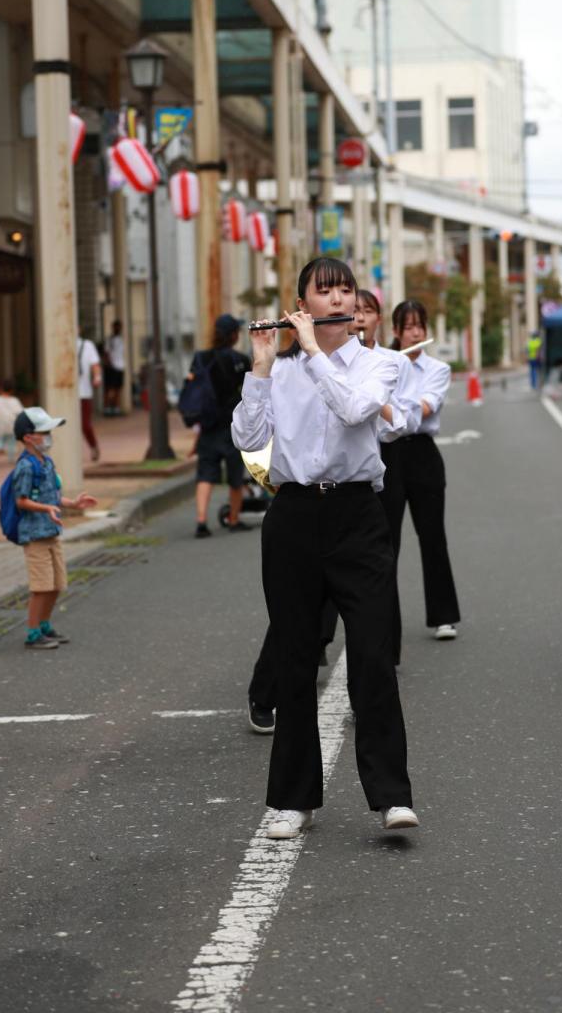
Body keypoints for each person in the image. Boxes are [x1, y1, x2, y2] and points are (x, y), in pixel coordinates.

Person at [232, 256, 417, 838]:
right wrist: (261, 367)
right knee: (294, 656)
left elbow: (357, 409)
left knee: (371, 651)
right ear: (302, 303)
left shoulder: (380, 363)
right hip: (292, 514)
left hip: (357, 514)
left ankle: (391, 795)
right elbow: (249, 439)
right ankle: (292, 799)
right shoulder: (282, 370)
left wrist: (313, 352)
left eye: (346, 291)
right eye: (324, 291)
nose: (338, 300)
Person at [380, 299, 461, 656]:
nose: (415, 332)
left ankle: (444, 616)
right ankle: (384, 623)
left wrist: (393, 401)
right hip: (388, 456)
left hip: (423, 453)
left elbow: (425, 408)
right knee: (386, 544)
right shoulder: (381, 363)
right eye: (408, 326)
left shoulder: (438, 368)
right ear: (395, 331)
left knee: (433, 536)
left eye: (420, 325)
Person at [12, 407, 97, 649]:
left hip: (51, 532)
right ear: (29, 437)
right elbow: (21, 500)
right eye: (45, 432)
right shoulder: (26, 466)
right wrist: (45, 509)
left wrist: (73, 503)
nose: (49, 436)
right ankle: (32, 633)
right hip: (35, 536)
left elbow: (53, 496)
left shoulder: (46, 462)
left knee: (57, 584)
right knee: (41, 587)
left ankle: (45, 626)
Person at [194, 313, 252, 538]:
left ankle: (201, 521)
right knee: (235, 476)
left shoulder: (201, 358)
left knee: (205, 474)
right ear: (233, 335)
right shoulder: (240, 360)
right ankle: (234, 519)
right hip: (232, 425)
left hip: (208, 425)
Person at [0, 379, 24, 464]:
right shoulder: (15, 400)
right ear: (12, 390)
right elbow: (21, 412)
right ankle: (11, 457)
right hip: (13, 427)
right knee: (11, 442)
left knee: (0, 438)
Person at [77, 333, 102, 462]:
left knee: (85, 424)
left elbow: (95, 364)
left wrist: (97, 377)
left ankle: (94, 446)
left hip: (83, 392)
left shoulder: (87, 345)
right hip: (67, 396)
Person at [103, 320, 126, 416]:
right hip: (112, 367)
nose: (118, 329)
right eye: (116, 327)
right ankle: (107, 408)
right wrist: (109, 364)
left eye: (119, 327)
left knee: (118, 388)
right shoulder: (110, 339)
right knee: (109, 388)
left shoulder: (121, 339)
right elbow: (106, 352)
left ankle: (116, 407)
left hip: (120, 366)